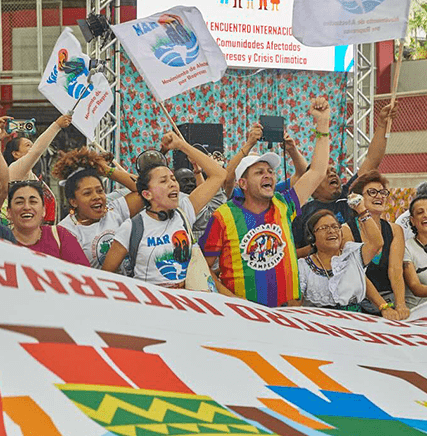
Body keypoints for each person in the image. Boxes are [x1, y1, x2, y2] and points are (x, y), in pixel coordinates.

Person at [201, 97, 331, 307]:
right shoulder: (223, 216)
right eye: (259, 172)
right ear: (242, 183)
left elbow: (316, 172)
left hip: (287, 314)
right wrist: (231, 300)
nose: (268, 175)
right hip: (244, 318)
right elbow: (203, 267)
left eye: (270, 171)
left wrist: (322, 124)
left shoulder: (284, 204)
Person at [102, 132, 226, 287]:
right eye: (163, 181)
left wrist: (182, 145)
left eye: (173, 179)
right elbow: (105, 276)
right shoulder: (132, 227)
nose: (172, 184)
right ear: (147, 194)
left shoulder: (184, 211)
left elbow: (219, 175)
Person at [293, 101, 398, 256]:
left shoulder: (350, 195)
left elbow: (371, 160)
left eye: (334, 171)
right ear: (312, 187)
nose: (333, 174)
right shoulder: (303, 213)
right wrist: (319, 247)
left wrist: (382, 124)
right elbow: (292, 254)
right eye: (325, 173)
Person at [57, 149, 144, 269]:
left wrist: (106, 170)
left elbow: (145, 189)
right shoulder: (65, 231)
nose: (97, 197)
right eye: (87, 193)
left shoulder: (114, 211)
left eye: (100, 191)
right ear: (73, 201)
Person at [297, 196, 382, 310]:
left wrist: (362, 211)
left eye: (335, 227)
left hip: (354, 322)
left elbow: (376, 243)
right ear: (312, 237)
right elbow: (294, 306)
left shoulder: (352, 255)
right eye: (324, 228)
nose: (331, 231)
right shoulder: (303, 266)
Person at [345, 170, 409, 319]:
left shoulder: (395, 230)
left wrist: (400, 305)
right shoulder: (347, 230)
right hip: (359, 304)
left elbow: (396, 271)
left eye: (383, 192)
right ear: (357, 198)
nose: (380, 196)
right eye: (372, 192)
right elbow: (358, 274)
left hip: (389, 300)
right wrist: (383, 306)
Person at [2, 113, 72, 226]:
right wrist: (57, 125)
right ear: (16, 154)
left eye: (32, 145)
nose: (32, 148)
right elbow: (36, 151)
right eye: (28, 145)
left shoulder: (29, 175)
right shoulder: (14, 169)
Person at [7, 180, 89, 265]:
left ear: (43, 210)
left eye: (33, 202)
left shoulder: (60, 236)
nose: (27, 207)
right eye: (19, 202)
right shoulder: (0, 242)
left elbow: (85, 274)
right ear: (8, 212)